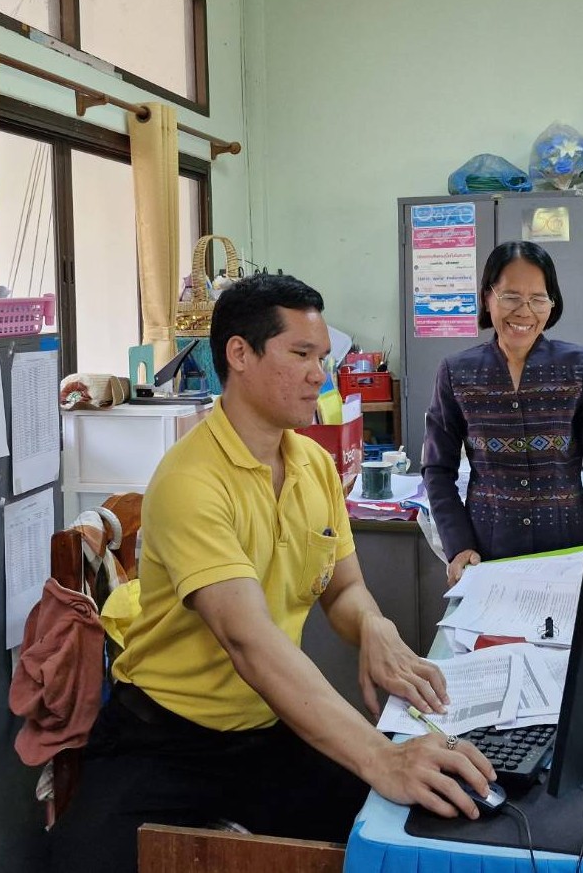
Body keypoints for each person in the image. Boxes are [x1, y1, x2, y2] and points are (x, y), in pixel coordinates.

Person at [49, 273, 496, 873]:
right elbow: (249, 642)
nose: (321, 375)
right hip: (166, 739)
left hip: (272, 728)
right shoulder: (192, 481)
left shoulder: (312, 463)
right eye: (302, 355)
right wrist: (381, 758)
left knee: (413, 833)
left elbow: (344, 588)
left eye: (324, 359)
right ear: (240, 354)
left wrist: (375, 630)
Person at [423, 241, 583, 585]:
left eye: (538, 298)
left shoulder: (582, 367)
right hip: (487, 552)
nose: (524, 311)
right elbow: (437, 469)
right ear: (488, 297)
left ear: (552, 304)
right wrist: (459, 545)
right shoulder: (456, 373)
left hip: (569, 548)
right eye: (510, 296)